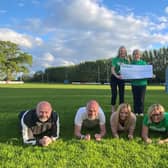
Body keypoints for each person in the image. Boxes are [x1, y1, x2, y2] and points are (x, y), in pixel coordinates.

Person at [110, 46, 129, 113]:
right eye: (121, 50)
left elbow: (128, 70)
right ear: (119, 52)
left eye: (123, 51)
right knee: (114, 93)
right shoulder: (115, 59)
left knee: (121, 94)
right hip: (114, 78)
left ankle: (121, 109)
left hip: (122, 79)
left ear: (125, 52)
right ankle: (113, 108)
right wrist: (117, 76)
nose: (122, 52)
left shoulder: (126, 61)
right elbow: (112, 69)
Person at [131, 49, 147, 116]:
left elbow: (147, 72)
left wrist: (152, 75)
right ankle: (135, 111)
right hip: (134, 83)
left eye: (137, 54)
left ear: (140, 55)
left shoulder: (143, 63)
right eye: (134, 54)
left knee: (141, 98)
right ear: (133, 55)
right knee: (135, 98)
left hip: (142, 83)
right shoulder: (131, 63)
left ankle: (141, 112)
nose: (136, 55)